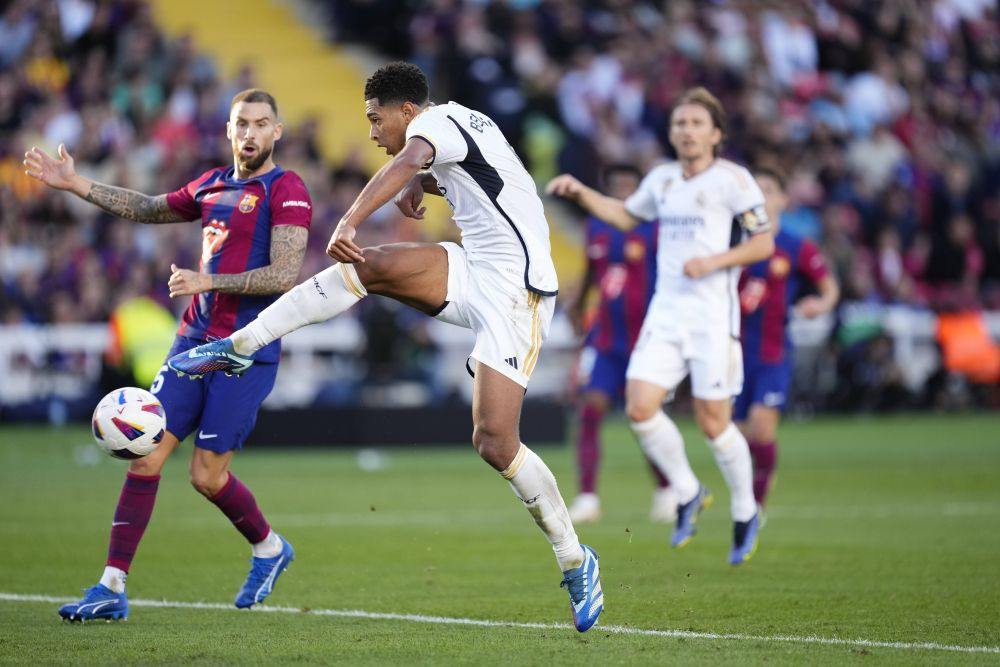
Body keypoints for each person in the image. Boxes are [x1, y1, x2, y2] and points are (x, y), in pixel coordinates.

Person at [167, 63, 604, 632]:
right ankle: (241, 343)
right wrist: (422, 186)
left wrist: (350, 217)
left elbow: (405, 159)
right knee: (369, 266)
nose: (372, 132)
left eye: (376, 119)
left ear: (406, 111)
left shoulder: (437, 126)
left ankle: (575, 558)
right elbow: (460, 174)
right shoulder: (454, 125)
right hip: (477, 267)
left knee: (495, 441)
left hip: (518, 293)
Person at [23, 89, 311, 621]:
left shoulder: (286, 188)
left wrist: (209, 279)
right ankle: (111, 586)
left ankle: (269, 548)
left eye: (261, 123)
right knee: (146, 452)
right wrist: (73, 183)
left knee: (206, 476)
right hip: (192, 342)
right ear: (229, 130)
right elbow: (149, 208)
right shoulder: (211, 183)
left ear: (278, 132)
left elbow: (285, 274)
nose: (250, 133)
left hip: (245, 349)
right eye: (241, 123)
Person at [546, 87, 775, 566]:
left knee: (715, 424)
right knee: (640, 408)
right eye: (679, 123)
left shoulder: (734, 180)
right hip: (666, 314)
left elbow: (762, 244)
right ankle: (688, 492)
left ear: (715, 133)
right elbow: (627, 216)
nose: (686, 131)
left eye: (695, 123)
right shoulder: (664, 179)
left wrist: (714, 261)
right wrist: (583, 192)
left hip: (712, 318)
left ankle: (745, 510)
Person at [565, 164, 675, 525]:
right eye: (617, 187)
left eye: (630, 187)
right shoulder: (596, 227)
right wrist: (578, 306)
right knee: (589, 411)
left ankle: (667, 489)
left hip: (646, 340)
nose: (624, 194)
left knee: (643, 417)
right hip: (606, 338)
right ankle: (587, 498)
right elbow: (591, 273)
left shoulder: (655, 229)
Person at [736, 167, 839, 510]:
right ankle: (754, 481)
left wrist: (819, 303)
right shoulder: (734, 244)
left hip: (773, 351)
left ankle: (756, 507)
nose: (761, 196)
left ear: (782, 198)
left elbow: (829, 288)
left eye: (768, 189)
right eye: (755, 190)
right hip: (732, 352)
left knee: (763, 428)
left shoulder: (796, 246)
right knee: (736, 437)